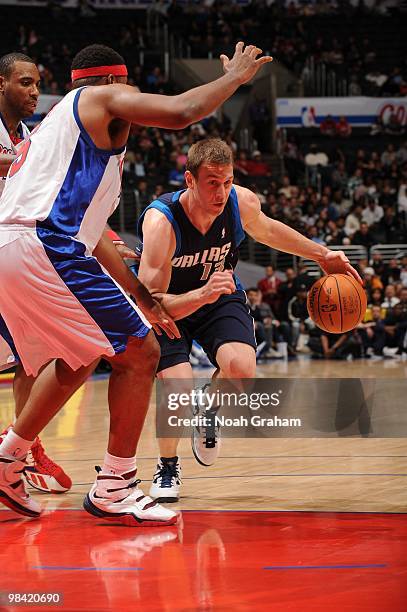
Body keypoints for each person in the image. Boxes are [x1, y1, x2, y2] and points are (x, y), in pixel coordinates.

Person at [0, 42, 272, 524]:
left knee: (81, 356)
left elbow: (98, 239)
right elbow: (183, 110)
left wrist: (145, 300)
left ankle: (8, 457)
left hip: (15, 249)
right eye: (130, 89)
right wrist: (235, 79)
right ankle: (115, 484)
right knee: (141, 354)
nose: (133, 100)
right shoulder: (96, 100)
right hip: (46, 245)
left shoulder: (62, 136)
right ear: (114, 84)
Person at [136, 138, 361, 502]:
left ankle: (209, 408)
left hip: (217, 296)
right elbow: (150, 303)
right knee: (176, 388)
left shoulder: (240, 202)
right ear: (190, 180)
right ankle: (167, 465)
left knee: (242, 370)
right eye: (212, 182)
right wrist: (201, 294)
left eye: (227, 181)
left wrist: (321, 254)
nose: (221, 191)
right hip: (169, 306)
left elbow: (269, 230)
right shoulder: (161, 223)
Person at [0, 52, 73, 495]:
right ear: (1, 84)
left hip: (16, 254)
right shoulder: (28, 146)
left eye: (38, 83)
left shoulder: (29, 135)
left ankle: (22, 447)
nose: (34, 91)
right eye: (25, 82)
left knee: (36, 356)